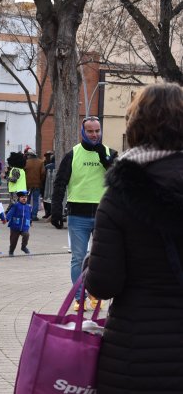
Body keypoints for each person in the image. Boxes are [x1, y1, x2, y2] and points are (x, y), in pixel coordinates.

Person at [84, 83, 183, 392]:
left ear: (136, 125)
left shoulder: (120, 195)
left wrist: (91, 262)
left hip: (136, 355)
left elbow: (103, 284)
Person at [52, 115, 118, 310]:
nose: (94, 134)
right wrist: (56, 210)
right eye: (90, 131)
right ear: (83, 132)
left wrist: (105, 160)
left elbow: (121, 180)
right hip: (77, 215)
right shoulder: (72, 154)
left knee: (101, 258)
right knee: (78, 258)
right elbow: (60, 183)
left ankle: (96, 294)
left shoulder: (110, 153)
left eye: (97, 131)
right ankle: (80, 298)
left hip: (104, 215)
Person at [6, 190, 32, 256]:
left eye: (25, 197)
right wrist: (6, 219)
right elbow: (10, 213)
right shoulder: (16, 205)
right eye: (22, 197)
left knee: (26, 235)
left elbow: (29, 215)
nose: (24, 198)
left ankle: (23, 247)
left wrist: (30, 221)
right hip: (15, 226)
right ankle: (11, 251)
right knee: (13, 240)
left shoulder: (28, 207)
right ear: (19, 198)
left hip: (24, 226)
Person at [23, 148, 46, 221]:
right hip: (37, 184)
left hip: (27, 185)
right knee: (36, 200)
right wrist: (40, 181)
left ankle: (27, 214)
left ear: (29, 155)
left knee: (27, 200)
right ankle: (34, 215)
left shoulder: (26, 162)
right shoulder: (40, 162)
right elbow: (43, 173)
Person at [41, 151, 55, 219]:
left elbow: (43, 175)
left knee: (46, 199)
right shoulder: (45, 164)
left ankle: (48, 213)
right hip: (52, 184)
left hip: (46, 184)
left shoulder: (46, 165)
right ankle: (49, 212)